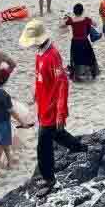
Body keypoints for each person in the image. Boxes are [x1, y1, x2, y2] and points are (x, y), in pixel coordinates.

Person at [21, 19, 85, 195]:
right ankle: (78, 147)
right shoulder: (40, 53)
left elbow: (63, 84)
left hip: (52, 108)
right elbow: (39, 76)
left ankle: (50, 180)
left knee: (43, 146)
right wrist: (35, 93)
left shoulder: (53, 55)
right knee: (58, 134)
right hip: (43, 105)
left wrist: (60, 113)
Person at [62, 5, 100, 81]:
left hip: (75, 42)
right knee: (88, 57)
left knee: (76, 58)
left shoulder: (72, 20)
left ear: (74, 12)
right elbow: (95, 24)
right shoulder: (86, 19)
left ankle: (78, 75)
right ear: (82, 11)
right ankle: (90, 73)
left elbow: (62, 25)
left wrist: (65, 18)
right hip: (84, 41)